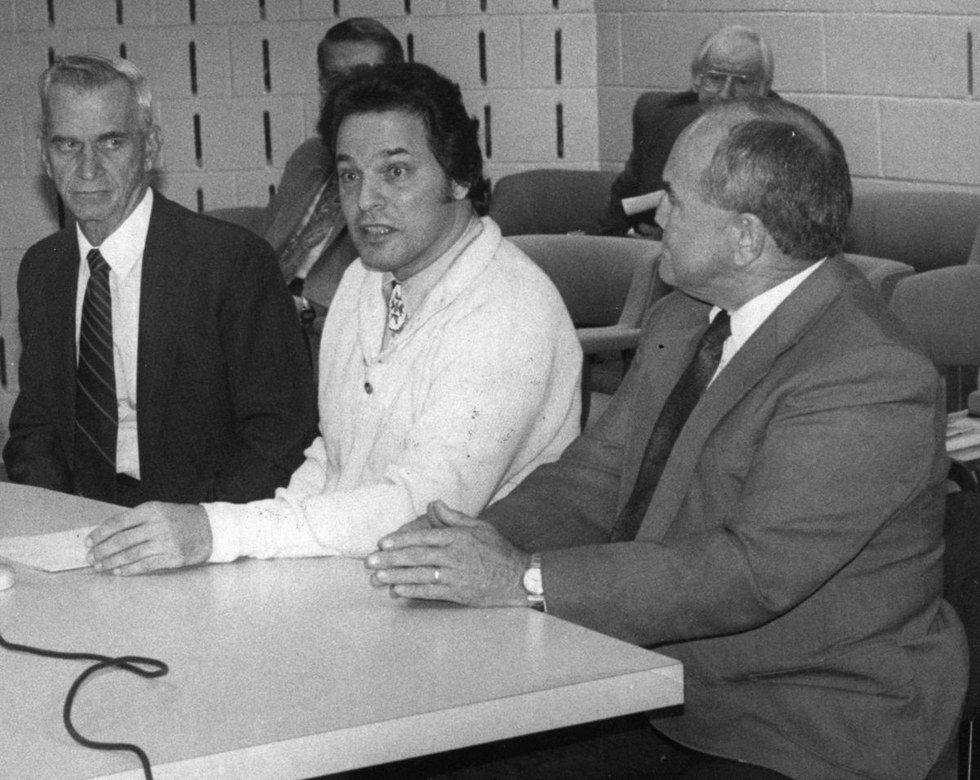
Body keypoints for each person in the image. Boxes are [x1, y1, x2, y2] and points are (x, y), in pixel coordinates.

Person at [364, 98, 968, 778]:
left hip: (800, 724)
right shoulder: (685, 319)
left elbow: (750, 572)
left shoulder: (867, 372)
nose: (654, 216)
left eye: (674, 199)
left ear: (746, 238)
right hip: (652, 682)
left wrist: (522, 579)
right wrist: (461, 545)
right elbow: (592, 480)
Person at [84, 62, 582, 574]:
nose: (364, 201)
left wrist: (220, 531)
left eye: (395, 172)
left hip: (466, 597)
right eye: (350, 175)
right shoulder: (364, 280)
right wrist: (251, 539)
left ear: (459, 178)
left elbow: (421, 509)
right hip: (363, 570)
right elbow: (334, 458)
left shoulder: (509, 311)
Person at [3, 54, 317, 508]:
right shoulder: (41, 268)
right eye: (67, 145)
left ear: (150, 147)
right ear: (45, 156)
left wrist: (200, 527)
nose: (87, 169)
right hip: (80, 519)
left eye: (112, 142)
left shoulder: (231, 261)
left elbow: (281, 430)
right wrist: (57, 518)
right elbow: (36, 427)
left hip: (203, 516)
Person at [260, 18, 405, 348]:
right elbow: (264, 247)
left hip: (330, 325)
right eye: (334, 80)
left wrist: (303, 311)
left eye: (362, 77)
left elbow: (395, 291)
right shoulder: (308, 156)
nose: (346, 92)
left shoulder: (405, 167)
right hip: (267, 310)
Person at [599, 25, 774, 239]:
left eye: (743, 81)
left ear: (764, 88)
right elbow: (618, 211)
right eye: (715, 78)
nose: (726, 94)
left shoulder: (786, 137)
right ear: (697, 79)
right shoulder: (658, 117)